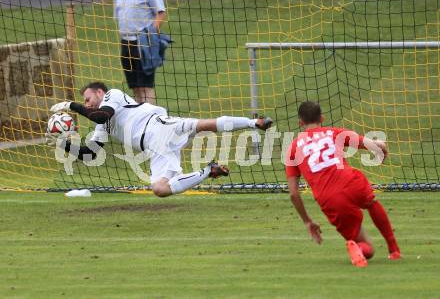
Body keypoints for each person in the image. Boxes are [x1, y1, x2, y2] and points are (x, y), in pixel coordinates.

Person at [46, 82, 273, 197]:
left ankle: (255, 123)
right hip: (156, 148)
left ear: (99, 92)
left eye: (87, 99)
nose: (86, 104)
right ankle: (209, 171)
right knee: (160, 189)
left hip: (159, 126)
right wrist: (62, 143)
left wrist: (71, 105)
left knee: (205, 125)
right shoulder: (101, 124)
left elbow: (101, 113)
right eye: (83, 102)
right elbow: (90, 154)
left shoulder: (112, 96)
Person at [285, 101, 400, 267]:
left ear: (300, 122)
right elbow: (370, 144)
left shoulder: (293, 148)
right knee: (371, 202)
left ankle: (357, 247)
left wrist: (308, 221)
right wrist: (381, 147)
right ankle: (394, 249)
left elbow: (294, 194)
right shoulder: (334, 132)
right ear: (322, 118)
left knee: (368, 249)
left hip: (330, 199)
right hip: (351, 181)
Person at [114, 0, 167, 104]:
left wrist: (149, 35)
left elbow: (161, 13)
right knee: (135, 87)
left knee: (145, 87)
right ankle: (139, 118)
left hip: (143, 43)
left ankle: (150, 118)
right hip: (125, 43)